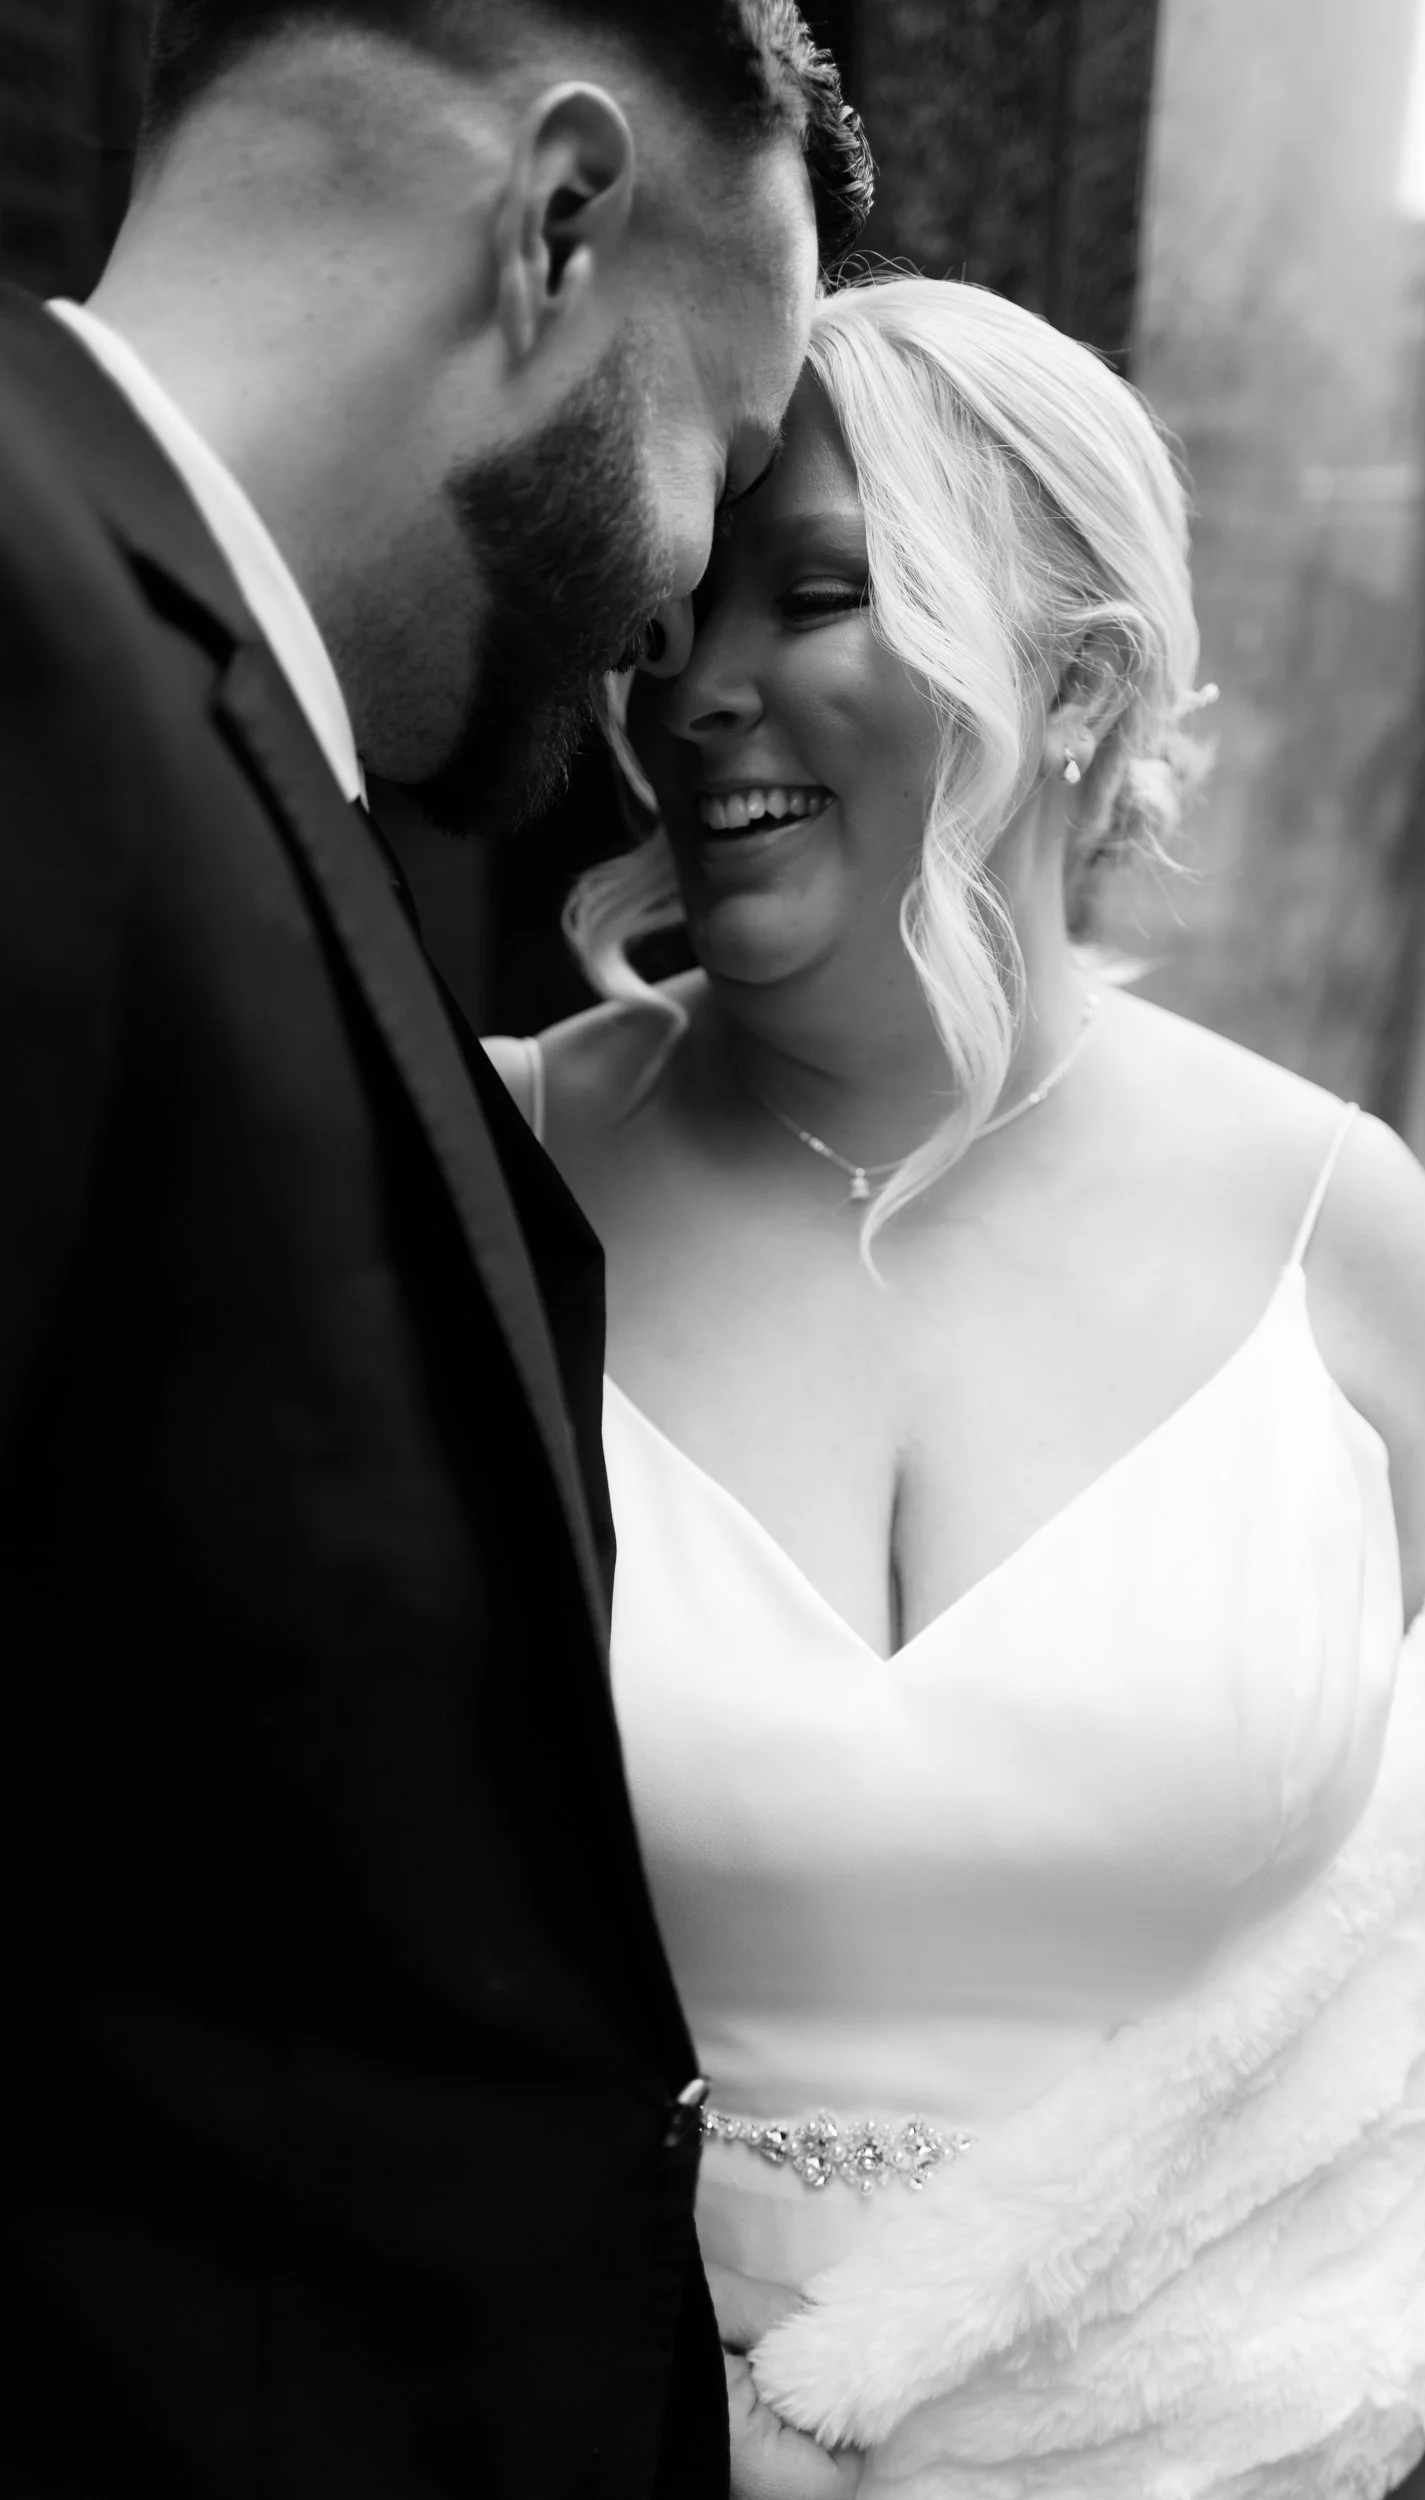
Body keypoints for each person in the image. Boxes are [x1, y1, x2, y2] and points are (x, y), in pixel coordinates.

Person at [487, 276, 1425, 2494]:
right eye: (671, 615)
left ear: (1083, 676)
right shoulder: (492, 1166)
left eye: (818, 593)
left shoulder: (1338, 1232)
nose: (702, 689)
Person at [0, 4, 871, 2494]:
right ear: (557, 224)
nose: (679, 623)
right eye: (719, 446)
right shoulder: (29, 628)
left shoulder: (224, 717)